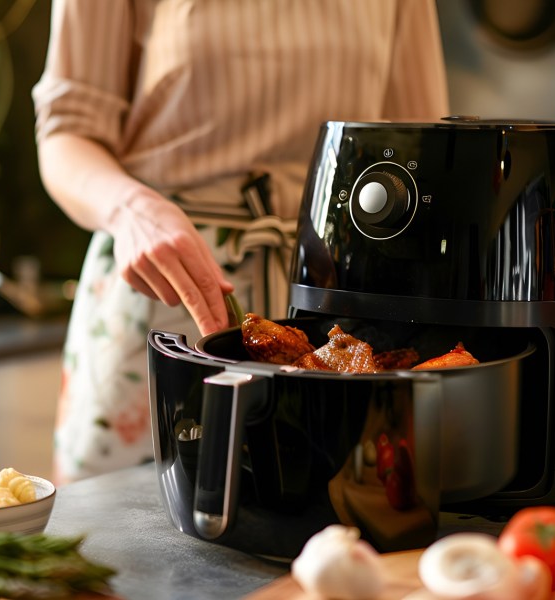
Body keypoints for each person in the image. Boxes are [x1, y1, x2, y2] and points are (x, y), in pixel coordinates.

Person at [32, 0, 449, 484]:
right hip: (165, 291)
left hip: (332, 305)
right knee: (129, 519)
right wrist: (131, 210)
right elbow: (67, 133)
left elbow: (424, 146)